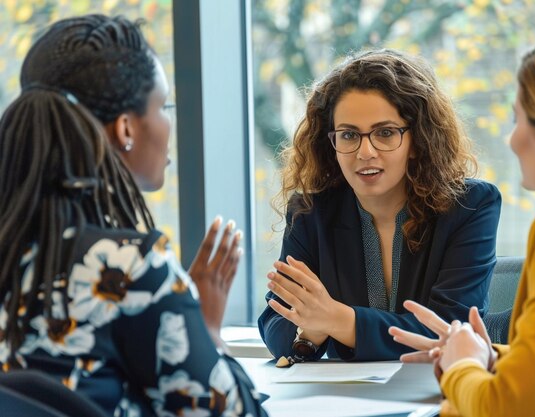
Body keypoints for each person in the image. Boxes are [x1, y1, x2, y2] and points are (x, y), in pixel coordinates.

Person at [0, 14, 267, 417]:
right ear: (126, 128)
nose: (169, 121)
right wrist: (206, 330)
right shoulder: (130, 272)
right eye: (165, 105)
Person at [390, 32, 535, 417]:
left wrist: (460, 368)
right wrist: (480, 354)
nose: (511, 138)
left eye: (516, 120)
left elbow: (505, 407)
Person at [257, 49, 501, 362]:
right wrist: (310, 333)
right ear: (331, 144)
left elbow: (449, 331)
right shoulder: (311, 212)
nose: (365, 151)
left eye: (385, 133)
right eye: (348, 135)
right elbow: (276, 324)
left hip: (442, 396)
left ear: (418, 140)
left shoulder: (471, 206)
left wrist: (337, 320)